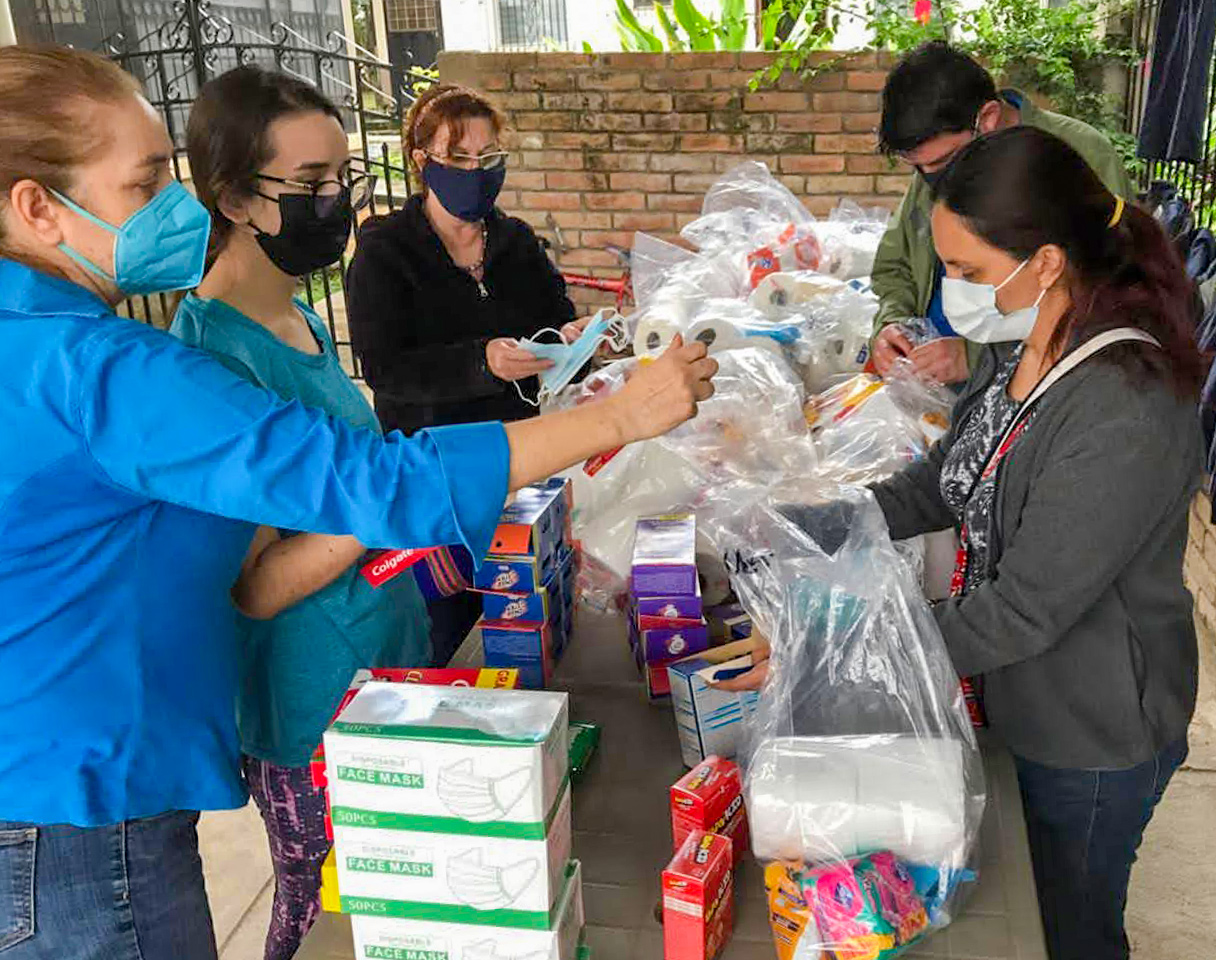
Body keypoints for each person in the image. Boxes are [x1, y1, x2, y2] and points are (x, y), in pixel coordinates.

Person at [0, 45, 715, 960]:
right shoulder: (102, 369)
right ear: (34, 207)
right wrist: (621, 415)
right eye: (144, 184)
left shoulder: (56, 344)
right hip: (82, 809)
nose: (167, 210)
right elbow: (374, 482)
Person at [721, 127, 1203, 960]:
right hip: (1019, 698)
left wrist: (826, 645)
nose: (952, 289)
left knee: (1067, 927)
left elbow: (1023, 609)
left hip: (1092, 729)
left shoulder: (1124, 406)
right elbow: (940, 484)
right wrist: (788, 524)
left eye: (969, 272)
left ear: (1046, 260)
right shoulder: (1026, 349)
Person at [167, 65, 436, 960]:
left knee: (411, 910)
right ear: (238, 198)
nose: (338, 204)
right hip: (311, 707)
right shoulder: (210, 361)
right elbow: (255, 587)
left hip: (383, 659)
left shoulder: (304, 323)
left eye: (343, 180)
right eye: (311, 186)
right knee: (327, 920)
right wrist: (391, 496)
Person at [346, 83, 582, 664]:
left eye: (489, 158)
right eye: (460, 158)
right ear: (422, 161)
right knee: (453, 639)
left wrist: (576, 340)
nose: (476, 173)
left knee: (532, 624)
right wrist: (483, 362)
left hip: (522, 471)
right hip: (436, 479)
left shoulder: (515, 242)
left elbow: (558, 319)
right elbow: (385, 369)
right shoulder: (385, 254)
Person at [869, 41, 1136, 386]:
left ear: (988, 119)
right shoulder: (936, 168)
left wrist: (976, 357)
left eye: (938, 162)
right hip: (930, 381)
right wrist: (893, 325)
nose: (930, 178)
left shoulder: (1080, 155)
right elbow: (894, 267)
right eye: (917, 166)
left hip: (1028, 383)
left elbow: (1106, 301)